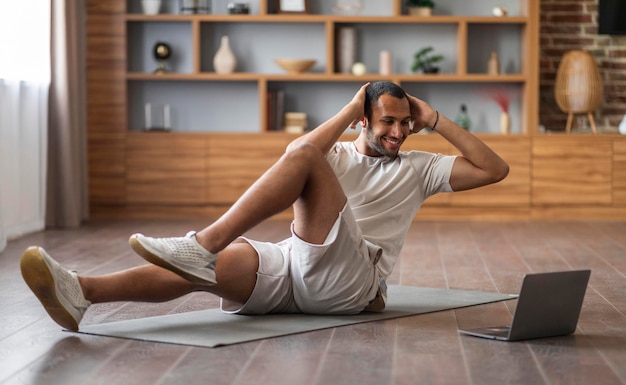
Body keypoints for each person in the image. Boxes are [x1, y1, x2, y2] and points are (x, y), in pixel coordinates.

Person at [20, 81, 509, 332]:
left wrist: (436, 118)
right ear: (363, 119)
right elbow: (299, 156)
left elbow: (494, 169)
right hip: (298, 262)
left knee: (300, 162)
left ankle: (202, 244)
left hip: (352, 280)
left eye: (405, 124)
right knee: (213, 269)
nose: (398, 133)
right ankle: (81, 292)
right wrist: (347, 109)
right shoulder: (334, 154)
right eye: (387, 122)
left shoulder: (420, 168)